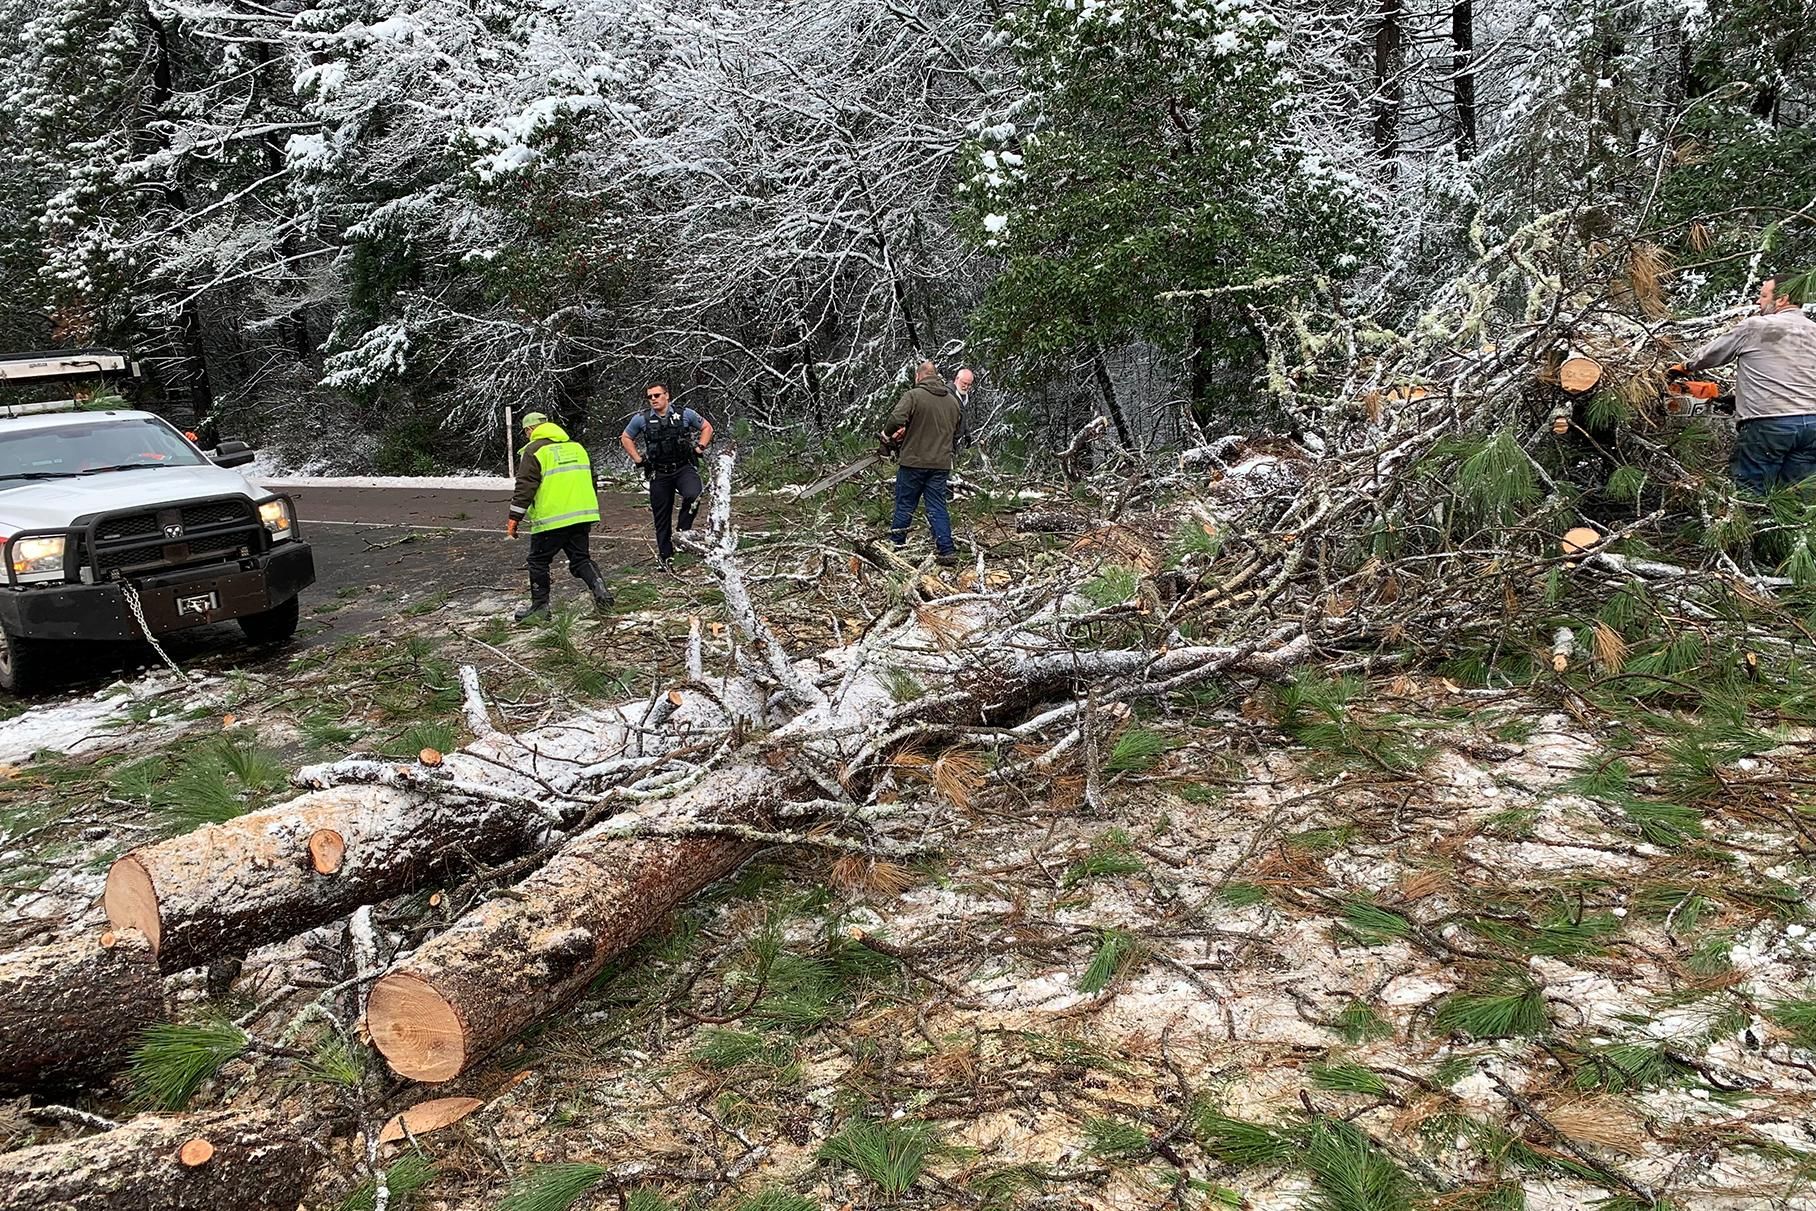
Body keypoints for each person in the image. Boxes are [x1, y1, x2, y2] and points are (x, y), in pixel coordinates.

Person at [1677, 271, 1816, 494]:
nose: (1758, 302)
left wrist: (1683, 367)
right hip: (1812, 425)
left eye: (1763, 296)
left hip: (1768, 424)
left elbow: (1708, 356)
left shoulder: (1756, 326)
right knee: (1796, 496)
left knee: (1751, 493)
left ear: (1782, 299)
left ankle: (1749, 524)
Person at [505, 411, 614, 621]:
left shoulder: (533, 450)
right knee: (581, 559)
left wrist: (514, 518)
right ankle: (601, 591)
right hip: (582, 514)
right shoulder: (576, 447)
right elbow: (590, 480)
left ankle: (540, 609)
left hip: (552, 518)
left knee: (538, 561)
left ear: (530, 430)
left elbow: (525, 486)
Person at [619, 383, 713, 569]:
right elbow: (626, 437)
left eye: (657, 395)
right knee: (661, 516)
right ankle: (665, 556)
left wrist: (700, 447)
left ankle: (683, 532)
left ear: (667, 395)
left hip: (683, 467)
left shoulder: (684, 414)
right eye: (650, 397)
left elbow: (707, 427)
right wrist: (638, 459)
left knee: (694, 495)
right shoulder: (642, 419)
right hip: (659, 471)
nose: (653, 399)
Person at [884, 360, 961, 566]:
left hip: (913, 462)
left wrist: (888, 434)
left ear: (918, 377)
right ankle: (946, 550)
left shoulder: (913, 396)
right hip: (941, 464)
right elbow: (957, 430)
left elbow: (896, 418)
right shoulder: (953, 401)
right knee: (937, 505)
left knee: (905, 504)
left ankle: (896, 547)